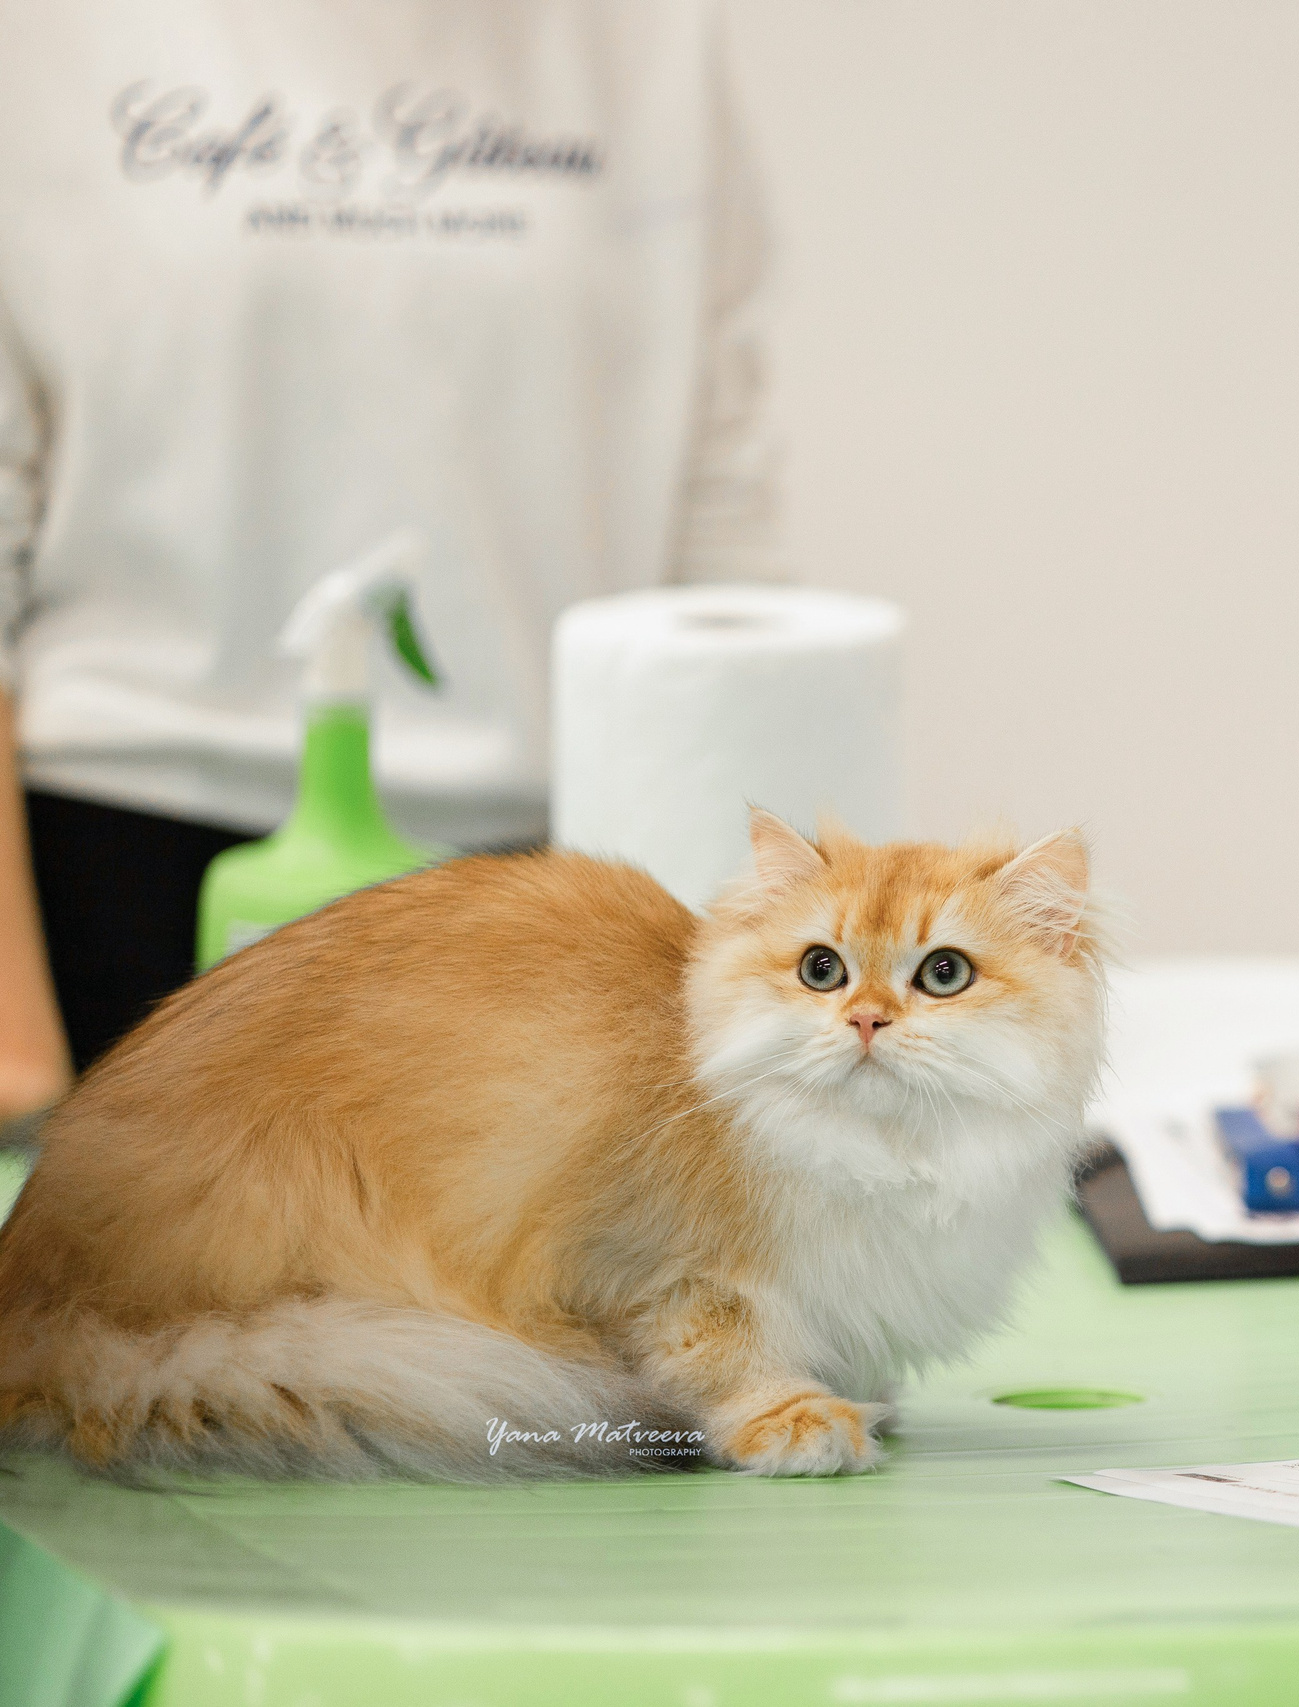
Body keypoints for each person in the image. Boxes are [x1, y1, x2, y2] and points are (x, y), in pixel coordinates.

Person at [0, 0, 777, 1099]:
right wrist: (16, 1058)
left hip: (555, 883)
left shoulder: (644, 37)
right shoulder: (44, 35)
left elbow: (720, 512)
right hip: (120, 881)